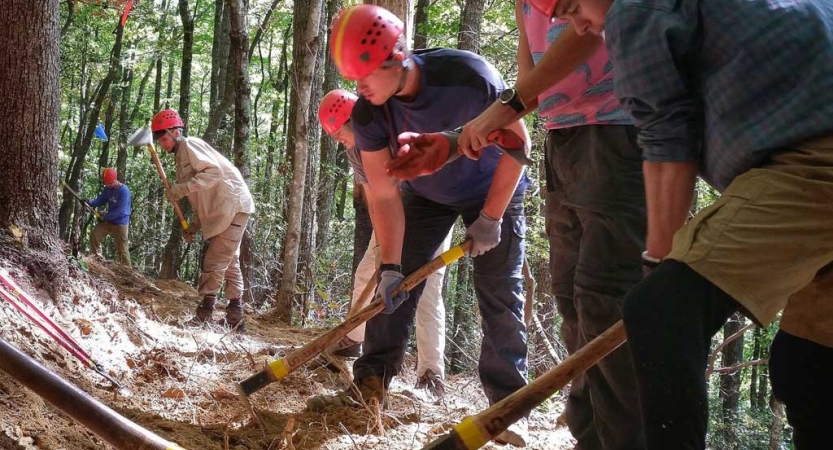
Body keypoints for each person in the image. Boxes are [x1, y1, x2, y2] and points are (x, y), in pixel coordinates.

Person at [542, 0, 833, 448]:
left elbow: (666, 142)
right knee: (812, 364)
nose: (578, 25)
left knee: (659, 309)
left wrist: (658, 267)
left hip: (815, 161)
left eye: (574, 6)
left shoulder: (633, 8)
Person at [389, 4, 646, 448]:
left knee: (606, 303)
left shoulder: (585, 17)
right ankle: (593, 436)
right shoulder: (525, 6)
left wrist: (498, 114)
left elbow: (592, 29)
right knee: (573, 303)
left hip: (616, 130)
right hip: (562, 138)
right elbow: (535, 88)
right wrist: (455, 143)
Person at [309, 5, 532, 446]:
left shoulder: (469, 76)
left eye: (366, 74)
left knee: (500, 290)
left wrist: (490, 219)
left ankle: (509, 407)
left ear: (396, 57)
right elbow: (384, 192)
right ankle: (369, 386)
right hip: (426, 196)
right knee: (396, 289)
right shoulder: (371, 114)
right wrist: (391, 264)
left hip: (494, 189)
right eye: (353, 77)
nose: (360, 86)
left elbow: (519, 148)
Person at [318, 89, 451, 396]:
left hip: (427, 214)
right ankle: (353, 338)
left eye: (338, 131)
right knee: (368, 273)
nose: (337, 139)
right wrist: (383, 249)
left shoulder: (392, 133)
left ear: (352, 119)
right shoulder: (354, 150)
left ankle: (431, 372)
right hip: (390, 220)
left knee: (426, 290)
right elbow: (373, 196)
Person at [151, 109, 255, 331]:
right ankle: (235, 317)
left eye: (165, 139)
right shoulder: (181, 158)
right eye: (159, 141)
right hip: (222, 210)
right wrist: (195, 226)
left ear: (176, 132)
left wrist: (181, 189)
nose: (163, 144)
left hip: (233, 207)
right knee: (229, 264)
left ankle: (205, 314)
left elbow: (213, 173)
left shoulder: (189, 145)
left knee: (215, 261)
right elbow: (202, 196)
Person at [87, 167, 132, 266]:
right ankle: (96, 260)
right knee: (95, 235)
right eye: (106, 183)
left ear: (114, 180)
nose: (108, 185)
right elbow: (101, 200)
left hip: (120, 222)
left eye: (109, 183)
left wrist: (105, 217)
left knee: (122, 249)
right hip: (109, 220)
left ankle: (127, 270)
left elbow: (120, 211)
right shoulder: (108, 189)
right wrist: (90, 202)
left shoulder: (124, 191)